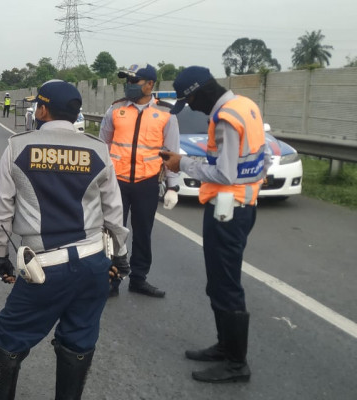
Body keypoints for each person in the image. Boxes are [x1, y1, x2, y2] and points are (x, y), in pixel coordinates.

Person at [0, 79, 129, 399]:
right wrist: (120, 258)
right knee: (78, 342)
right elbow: (114, 214)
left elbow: (0, 214)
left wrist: (0, 258)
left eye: (38, 105)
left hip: (45, 267)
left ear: (44, 109)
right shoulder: (98, 150)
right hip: (93, 263)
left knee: (8, 338)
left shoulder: (18, 147)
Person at [160, 66, 270, 383]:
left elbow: (225, 174)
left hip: (229, 209)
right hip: (240, 205)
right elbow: (253, 162)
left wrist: (182, 163)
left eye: (189, 100)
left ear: (200, 93)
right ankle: (225, 347)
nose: (191, 107)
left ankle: (236, 363)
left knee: (225, 285)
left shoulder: (225, 118)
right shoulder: (246, 106)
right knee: (220, 282)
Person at [99, 63, 181, 298]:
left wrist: (173, 186)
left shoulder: (166, 114)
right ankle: (111, 280)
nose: (129, 85)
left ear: (150, 84)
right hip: (117, 182)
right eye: (127, 81)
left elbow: (171, 153)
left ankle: (138, 279)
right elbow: (102, 146)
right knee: (113, 233)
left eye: (134, 81)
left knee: (143, 233)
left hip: (147, 182)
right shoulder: (115, 110)